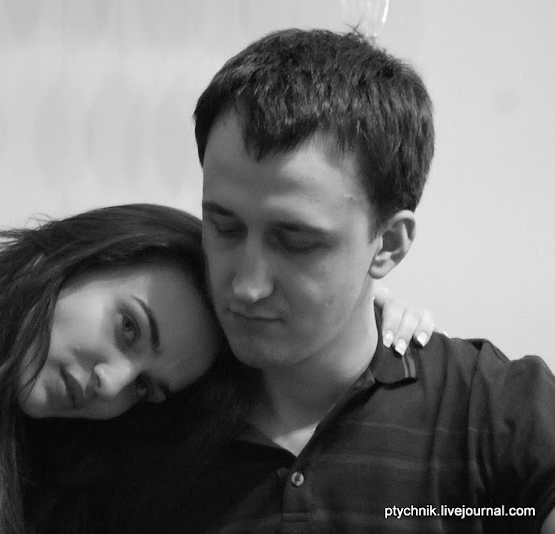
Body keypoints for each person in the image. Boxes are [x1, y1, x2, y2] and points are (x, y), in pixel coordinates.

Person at [0, 203, 432, 534]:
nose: (110, 385)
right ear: (72, 261)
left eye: (146, 388)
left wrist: (359, 312)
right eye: (128, 327)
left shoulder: (70, 450)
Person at [131, 28, 555, 533]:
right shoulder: (147, 402)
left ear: (388, 244)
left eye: (296, 242)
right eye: (224, 226)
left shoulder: (491, 406)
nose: (246, 286)